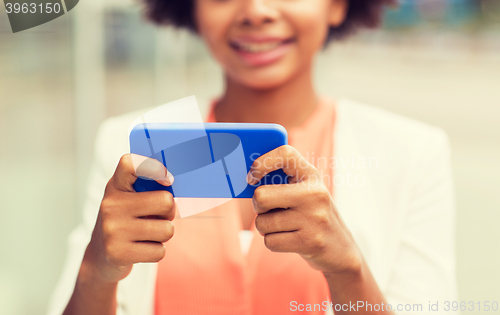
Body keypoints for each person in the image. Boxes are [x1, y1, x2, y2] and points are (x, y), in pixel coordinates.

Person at [48, 0, 458, 314]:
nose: (256, 11)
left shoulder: (411, 153)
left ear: (337, 4)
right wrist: (97, 271)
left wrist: (349, 270)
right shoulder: (125, 145)